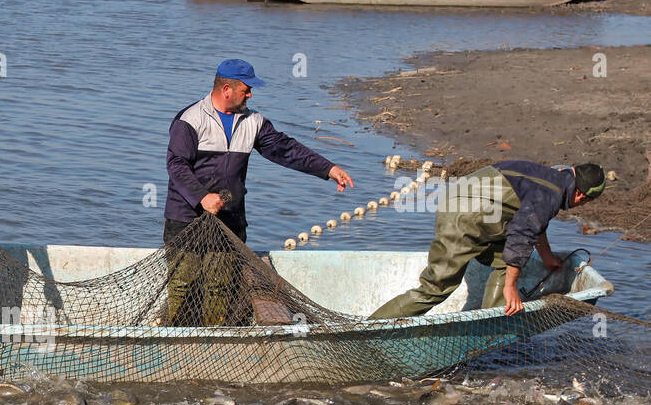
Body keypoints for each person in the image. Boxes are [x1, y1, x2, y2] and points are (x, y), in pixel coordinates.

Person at [164, 59, 353, 325]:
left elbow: (286, 150)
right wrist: (202, 196)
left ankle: (215, 345)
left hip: (229, 220)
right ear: (227, 89)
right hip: (185, 218)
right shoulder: (190, 120)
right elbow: (176, 165)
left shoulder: (254, 122)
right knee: (183, 286)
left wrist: (328, 169)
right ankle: (176, 343)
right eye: (247, 89)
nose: (251, 94)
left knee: (220, 289)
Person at [369, 161, 606, 319]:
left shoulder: (551, 179)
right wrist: (511, 286)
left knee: (510, 261)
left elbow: (535, 224)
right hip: (465, 220)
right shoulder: (552, 194)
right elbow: (523, 232)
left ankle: (492, 319)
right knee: (435, 289)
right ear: (581, 195)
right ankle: (367, 331)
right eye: (585, 202)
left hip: (464, 206)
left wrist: (547, 257)